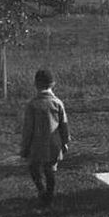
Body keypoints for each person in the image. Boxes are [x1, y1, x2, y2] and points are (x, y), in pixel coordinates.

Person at [20, 69, 70, 209]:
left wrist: (25, 147)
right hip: (54, 143)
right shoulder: (57, 103)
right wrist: (65, 142)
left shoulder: (32, 104)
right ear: (53, 84)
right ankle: (49, 195)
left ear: (35, 84)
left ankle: (42, 191)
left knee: (33, 167)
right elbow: (63, 124)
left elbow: (28, 128)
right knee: (50, 170)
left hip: (36, 144)